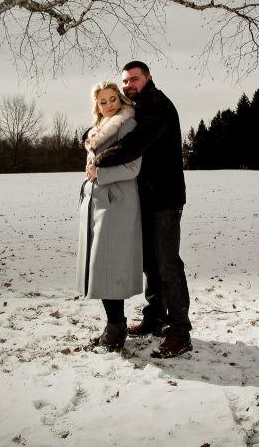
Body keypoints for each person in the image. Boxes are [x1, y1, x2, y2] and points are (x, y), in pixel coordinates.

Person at [88, 61, 192, 359]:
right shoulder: (135, 107)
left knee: (168, 264)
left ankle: (179, 332)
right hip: (143, 198)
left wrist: (99, 160)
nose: (129, 85)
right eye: (125, 81)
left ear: (148, 78)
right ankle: (155, 318)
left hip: (165, 199)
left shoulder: (157, 106)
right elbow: (106, 125)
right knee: (151, 264)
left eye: (134, 79)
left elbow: (134, 145)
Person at [77, 80, 144, 352]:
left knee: (109, 267)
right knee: (102, 268)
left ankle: (116, 329)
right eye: (102, 101)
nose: (108, 105)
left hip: (117, 203)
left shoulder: (128, 126)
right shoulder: (98, 130)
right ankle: (113, 325)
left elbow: (133, 167)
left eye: (112, 99)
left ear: (121, 100)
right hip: (98, 202)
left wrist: (100, 175)